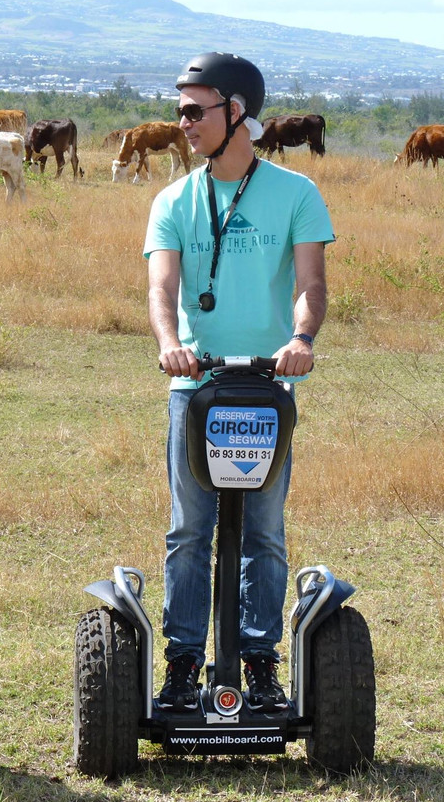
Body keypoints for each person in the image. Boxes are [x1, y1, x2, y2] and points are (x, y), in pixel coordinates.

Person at [144, 53, 333, 713]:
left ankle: (259, 662)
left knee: (264, 533)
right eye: (180, 111)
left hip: (266, 387)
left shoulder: (296, 193)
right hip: (195, 388)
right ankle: (181, 664)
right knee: (189, 532)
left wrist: (300, 340)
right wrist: (169, 345)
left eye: (194, 111)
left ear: (236, 112)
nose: (183, 122)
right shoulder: (173, 200)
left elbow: (311, 284)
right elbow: (161, 287)